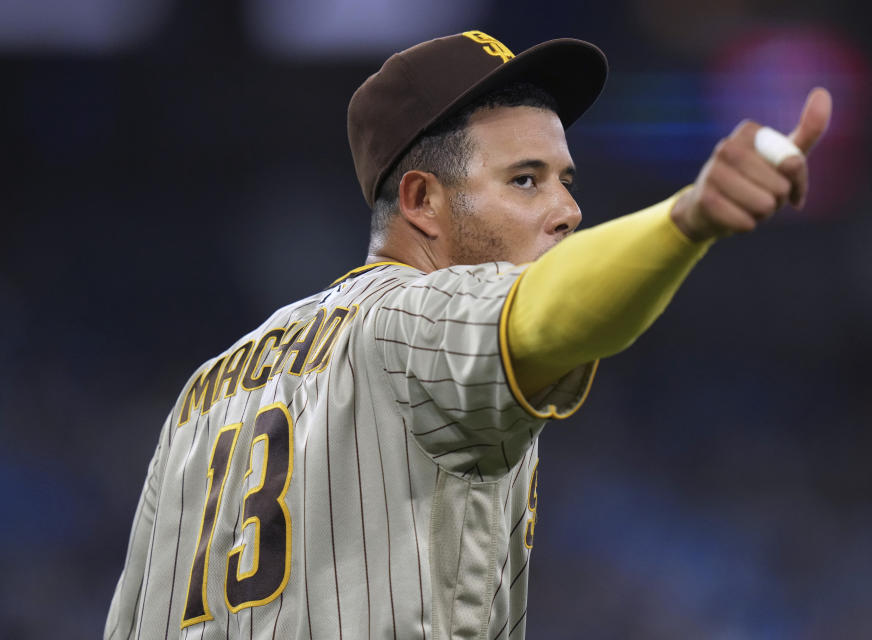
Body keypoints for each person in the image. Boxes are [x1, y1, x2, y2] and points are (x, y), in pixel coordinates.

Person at [104, 30, 831, 639]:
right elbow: (544, 312)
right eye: (525, 180)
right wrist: (689, 217)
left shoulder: (203, 393)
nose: (568, 210)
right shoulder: (408, 323)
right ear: (422, 199)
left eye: (564, 179)